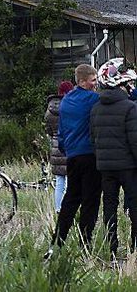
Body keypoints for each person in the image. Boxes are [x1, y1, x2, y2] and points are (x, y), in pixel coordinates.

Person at [49, 64, 101, 254]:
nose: (96, 84)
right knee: (91, 200)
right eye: (93, 81)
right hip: (89, 154)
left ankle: (58, 239)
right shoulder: (93, 99)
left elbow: (61, 130)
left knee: (70, 198)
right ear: (82, 81)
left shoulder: (66, 100)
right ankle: (85, 242)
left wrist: (66, 148)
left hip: (72, 156)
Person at [89, 58, 137, 257]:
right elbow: (134, 140)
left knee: (109, 206)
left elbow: (93, 139)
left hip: (105, 167)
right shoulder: (130, 107)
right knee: (134, 206)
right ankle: (134, 247)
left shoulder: (95, 109)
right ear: (121, 85)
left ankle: (111, 245)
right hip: (128, 166)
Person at [46, 80, 72, 212]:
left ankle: (57, 208)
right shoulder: (69, 106)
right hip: (67, 144)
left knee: (59, 181)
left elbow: (48, 130)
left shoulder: (49, 109)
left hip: (55, 145)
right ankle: (68, 207)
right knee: (69, 180)